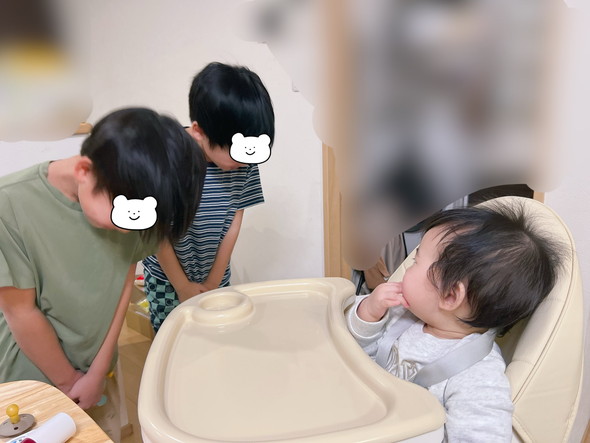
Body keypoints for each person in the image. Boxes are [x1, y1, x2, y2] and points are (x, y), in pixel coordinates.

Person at [0, 107, 206, 441]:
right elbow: (20, 311)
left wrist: (96, 371)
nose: (130, 231)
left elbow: (123, 285)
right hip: (29, 376)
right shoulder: (9, 203)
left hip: (96, 372)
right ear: (84, 170)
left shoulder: (138, 203)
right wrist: (69, 381)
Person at [347, 201, 565, 442]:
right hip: (360, 412)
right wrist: (369, 313)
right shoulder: (404, 313)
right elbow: (354, 354)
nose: (407, 267)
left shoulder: (477, 376)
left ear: (451, 295)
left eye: (416, 261)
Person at [142, 62, 275, 332]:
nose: (245, 160)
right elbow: (155, 231)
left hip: (215, 275)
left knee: (217, 335)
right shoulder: (165, 159)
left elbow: (233, 222)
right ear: (199, 131)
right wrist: (182, 286)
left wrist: (214, 280)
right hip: (167, 279)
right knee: (172, 337)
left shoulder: (245, 159)